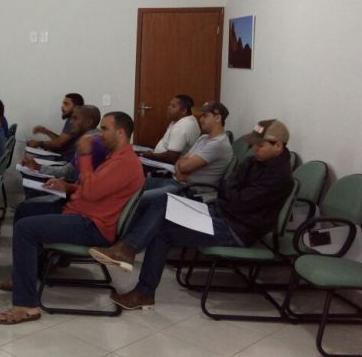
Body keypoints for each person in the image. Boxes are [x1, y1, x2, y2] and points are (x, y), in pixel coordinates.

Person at [89, 119, 294, 310]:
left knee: (162, 228)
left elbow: (239, 201)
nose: (255, 149)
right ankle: (133, 262)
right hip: (219, 213)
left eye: (260, 145)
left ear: (278, 146)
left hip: (237, 229)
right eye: (254, 144)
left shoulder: (279, 177)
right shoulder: (253, 162)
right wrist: (232, 193)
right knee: (163, 202)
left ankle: (134, 265)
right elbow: (227, 187)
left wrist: (231, 193)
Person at [0, 112, 144, 325]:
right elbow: (95, 189)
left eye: (105, 129)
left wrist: (84, 155)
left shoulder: (125, 162)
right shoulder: (116, 157)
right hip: (81, 212)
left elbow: (91, 191)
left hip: (93, 226)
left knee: (25, 229)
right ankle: (24, 277)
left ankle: (27, 306)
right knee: (25, 210)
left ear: (120, 133)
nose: (100, 134)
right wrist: (69, 187)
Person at [134, 101, 233, 206]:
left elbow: (184, 167)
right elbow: (181, 162)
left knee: (136, 200)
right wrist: (181, 168)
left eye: (205, 116)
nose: (200, 119)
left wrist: (182, 168)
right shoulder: (204, 138)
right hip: (177, 181)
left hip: (187, 190)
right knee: (132, 185)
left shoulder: (218, 144)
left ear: (217, 118)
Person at [23, 104, 103, 183]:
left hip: (78, 185)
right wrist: (38, 167)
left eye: (75, 118)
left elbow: (74, 176)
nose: (71, 122)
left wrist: (39, 167)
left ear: (88, 122)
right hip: (75, 183)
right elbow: (68, 169)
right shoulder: (89, 138)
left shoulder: (92, 142)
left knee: (31, 178)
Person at [139, 94, 200, 164]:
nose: (168, 108)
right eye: (170, 105)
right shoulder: (188, 119)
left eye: (173, 106)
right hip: (160, 160)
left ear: (183, 111)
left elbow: (171, 158)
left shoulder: (181, 127)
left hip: (166, 166)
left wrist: (151, 155)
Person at [27, 93, 84, 161]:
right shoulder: (73, 119)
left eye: (66, 104)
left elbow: (58, 144)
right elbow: (61, 141)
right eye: (63, 104)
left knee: (29, 162)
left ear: (76, 107)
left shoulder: (74, 121)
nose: (62, 107)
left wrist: (39, 143)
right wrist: (46, 131)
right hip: (64, 157)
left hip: (66, 161)